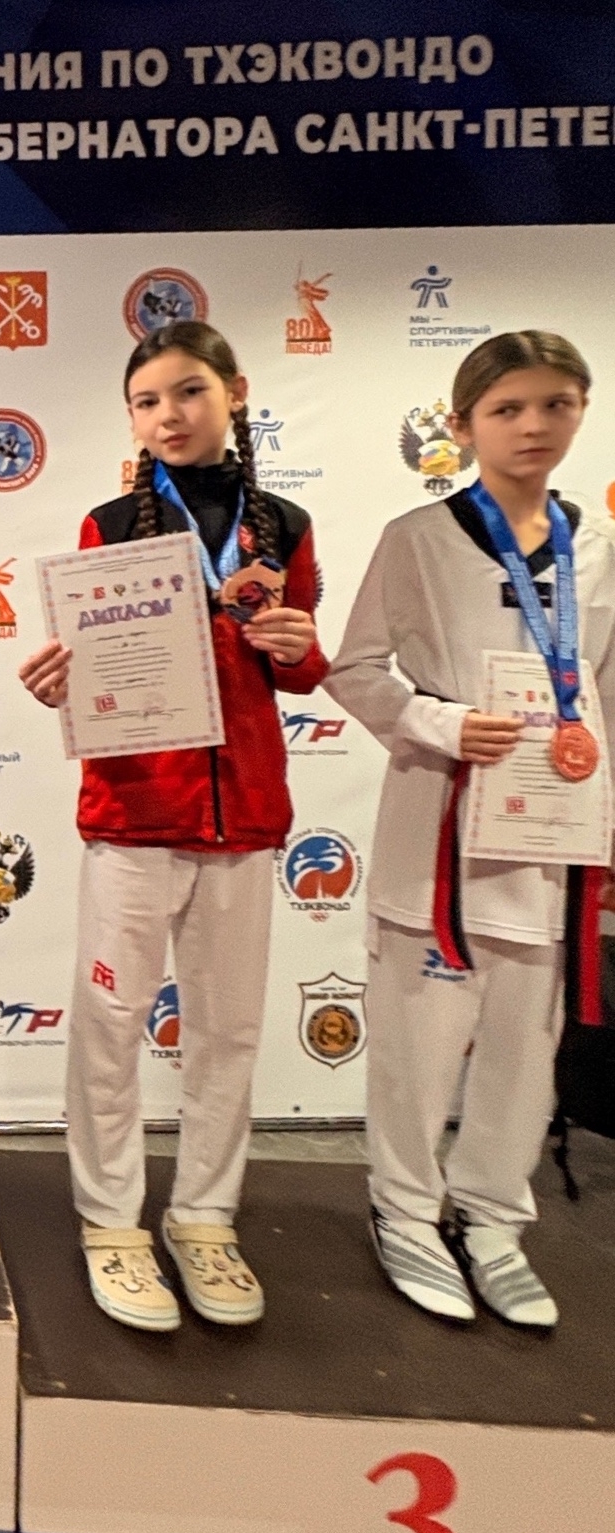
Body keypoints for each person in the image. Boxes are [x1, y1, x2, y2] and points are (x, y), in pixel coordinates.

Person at [18, 321, 326, 1331]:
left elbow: (300, 673)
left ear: (234, 392)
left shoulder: (285, 523)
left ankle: (204, 1217)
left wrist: (299, 648)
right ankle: (111, 1222)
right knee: (110, 1025)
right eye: (147, 402)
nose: (169, 415)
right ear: (132, 421)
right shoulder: (110, 525)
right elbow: (93, 667)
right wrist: (59, 680)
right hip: (135, 814)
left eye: (189, 391)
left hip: (245, 817)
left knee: (227, 1032)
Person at [326, 330, 615, 1328]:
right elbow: (355, 670)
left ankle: (494, 1218)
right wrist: (439, 722)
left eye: (555, 405)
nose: (533, 426)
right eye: (507, 409)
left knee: (524, 1051)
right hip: (439, 832)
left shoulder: (600, 547)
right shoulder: (418, 539)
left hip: (550, 841)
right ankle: (406, 1211)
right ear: (462, 425)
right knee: (418, 1043)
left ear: (581, 410)